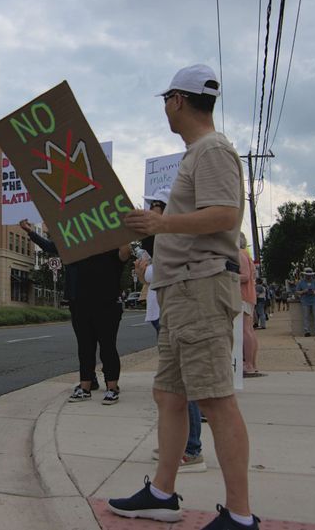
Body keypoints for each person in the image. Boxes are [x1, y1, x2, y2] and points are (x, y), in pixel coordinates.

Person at [111, 64, 258, 529]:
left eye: (165, 101)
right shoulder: (199, 152)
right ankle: (161, 493)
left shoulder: (212, 149)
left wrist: (161, 224)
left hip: (200, 285)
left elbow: (225, 214)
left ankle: (239, 515)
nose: (165, 110)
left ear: (177, 100)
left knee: (214, 399)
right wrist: (152, 227)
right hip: (180, 288)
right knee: (168, 394)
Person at [20, 218, 130, 405]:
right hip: (80, 305)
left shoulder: (110, 247)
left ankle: (112, 387)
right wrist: (31, 232)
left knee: (107, 347)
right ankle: (85, 387)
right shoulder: (74, 248)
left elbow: (125, 252)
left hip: (107, 305)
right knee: (85, 347)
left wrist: (121, 229)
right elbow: (50, 246)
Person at [139, 185, 207, 473]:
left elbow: (164, 271)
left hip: (175, 310)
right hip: (162, 311)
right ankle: (177, 445)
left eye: (154, 204)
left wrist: (145, 270)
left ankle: (191, 449)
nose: (149, 209)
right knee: (170, 386)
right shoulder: (159, 238)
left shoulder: (177, 235)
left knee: (183, 384)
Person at [238, 234, 262, 376]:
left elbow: (245, 276)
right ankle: (252, 363)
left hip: (242, 295)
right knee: (249, 330)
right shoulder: (246, 254)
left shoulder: (239, 254)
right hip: (250, 295)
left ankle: (248, 363)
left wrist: (228, 275)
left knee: (245, 330)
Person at [295, 268, 315, 336]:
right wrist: (303, 291)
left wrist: (314, 292)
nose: (308, 276)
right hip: (305, 301)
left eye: (310, 275)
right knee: (305, 317)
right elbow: (296, 292)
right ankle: (306, 331)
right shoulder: (300, 282)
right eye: (307, 275)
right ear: (305, 275)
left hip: (314, 301)